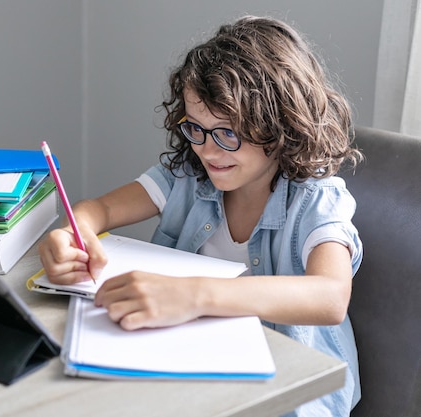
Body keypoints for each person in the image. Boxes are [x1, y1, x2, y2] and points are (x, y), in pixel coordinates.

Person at [38, 15, 363, 417]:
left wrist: (192, 295)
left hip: (285, 396)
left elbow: (330, 297)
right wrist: (74, 233)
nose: (208, 151)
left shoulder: (317, 199)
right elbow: (98, 210)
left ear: (282, 126)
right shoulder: (188, 178)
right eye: (196, 128)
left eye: (228, 133)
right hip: (189, 370)